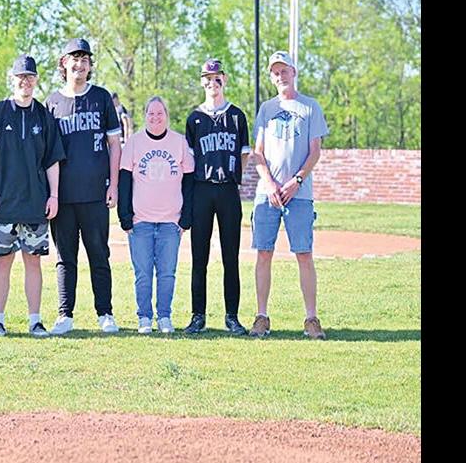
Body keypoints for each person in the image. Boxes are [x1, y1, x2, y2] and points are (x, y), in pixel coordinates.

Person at [0, 54, 65, 338]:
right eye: (21, 76)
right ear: (12, 79)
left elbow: (52, 160)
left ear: (36, 80)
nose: (25, 81)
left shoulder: (44, 116)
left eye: (30, 76)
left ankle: (35, 321)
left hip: (36, 203)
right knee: (2, 261)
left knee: (33, 261)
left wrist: (54, 196)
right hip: (3, 203)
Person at [249, 51, 329, 339]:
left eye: (284, 70)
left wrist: (297, 180)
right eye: (275, 72)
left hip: (300, 194)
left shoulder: (309, 107)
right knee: (264, 253)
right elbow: (258, 153)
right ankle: (261, 316)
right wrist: (270, 185)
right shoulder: (266, 109)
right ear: (271, 77)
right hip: (267, 194)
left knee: (304, 254)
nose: (280, 76)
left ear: (293, 72)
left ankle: (311, 318)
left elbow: (315, 151)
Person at [44, 38, 121, 335]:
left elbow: (114, 145)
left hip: (95, 193)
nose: (80, 64)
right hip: (63, 196)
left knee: (99, 254)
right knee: (65, 258)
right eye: (74, 59)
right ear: (64, 63)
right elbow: (46, 153)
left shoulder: (101, 97)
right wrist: (50, 193)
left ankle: (105, 313)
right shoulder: (52, 102)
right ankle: (65, 315)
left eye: (85, 60)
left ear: (90, 66)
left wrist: (113, 185)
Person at [182, 58, 250, 336]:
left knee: (230, 256)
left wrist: (234, 177)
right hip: (201, 189)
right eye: (208, 78)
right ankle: (197, 316)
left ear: (225, 79)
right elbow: (188, 161)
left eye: (217, 77)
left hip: (227, 190)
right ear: (202, 82)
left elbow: (244, 154)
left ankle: (232, 316)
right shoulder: (194, 118)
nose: (213, 82)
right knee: (199, 257)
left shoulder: (236, 116)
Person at [118, 96, 194, 334]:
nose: (155, 117)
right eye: (151, 113)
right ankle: (144, 318)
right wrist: (125, 216)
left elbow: (189, 182)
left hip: (171, 222)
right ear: (145, 116)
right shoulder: (134, 142)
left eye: (160, 113)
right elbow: (124, 181)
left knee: (167, 273)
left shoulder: (179, 142)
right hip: (140, 221)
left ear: (166, 116)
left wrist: (186, 218)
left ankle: (164, 317)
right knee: (142, 274)